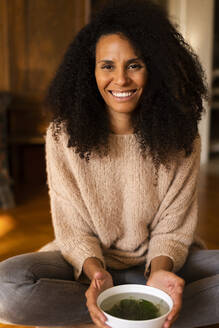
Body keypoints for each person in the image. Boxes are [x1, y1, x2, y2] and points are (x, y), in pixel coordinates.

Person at [0, 0, 218, 327]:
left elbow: (173, 230)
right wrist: (96, 274)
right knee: (6, 287)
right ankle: (140, 312)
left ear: (154, 68)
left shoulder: (182, 139)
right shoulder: (62, 135)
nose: (121, 80)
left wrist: (160, 272)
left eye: (134, 65)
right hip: (87, 265)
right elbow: (72, 227)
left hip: (158, 264)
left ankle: (123, 310)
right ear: (90, 70)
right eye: (107, 66)